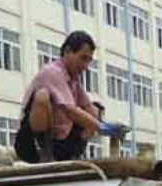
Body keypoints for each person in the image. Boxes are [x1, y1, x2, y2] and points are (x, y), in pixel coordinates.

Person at [14, 31, 101, 163]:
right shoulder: (51, 72)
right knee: (42, 96)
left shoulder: (73, 80)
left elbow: (88, 107)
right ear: (67, 51)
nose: (85, 66)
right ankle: (43, 153)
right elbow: (69, 110)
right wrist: (100, 127)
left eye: (89, 60)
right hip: (31, 145)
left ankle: (75, 153)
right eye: (83, 58)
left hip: (59, 145)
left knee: (94, 110)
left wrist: (106, 126)